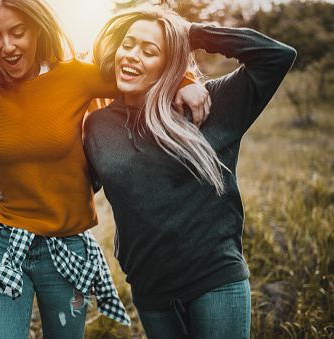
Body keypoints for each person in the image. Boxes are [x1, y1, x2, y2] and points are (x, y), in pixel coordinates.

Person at [0, 0, 211, 337]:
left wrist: (185, 80)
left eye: (17, 32)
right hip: (3, 241)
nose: (8, 47)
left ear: (38, 30)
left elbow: (141, 70)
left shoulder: (75, 76)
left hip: (67, 245)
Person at [80, 4, 296, 338]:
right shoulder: (97, 126)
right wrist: (10, 187)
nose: (132, 55)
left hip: (214, 282)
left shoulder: (208, 104)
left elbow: (276, 56)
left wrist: (190, 33)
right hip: (151, 293)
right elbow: (81, 184)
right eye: (128, 44)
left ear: (169, 64)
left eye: (149, 51)